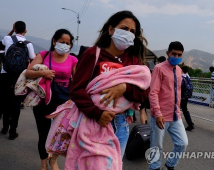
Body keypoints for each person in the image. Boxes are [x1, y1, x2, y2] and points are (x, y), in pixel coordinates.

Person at [69, 10, 150, 159]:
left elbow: (145, 94)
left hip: (121, 125)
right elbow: (76, 90)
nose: (129, 33)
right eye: (125, 29)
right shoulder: (93, 54)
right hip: (94, 122)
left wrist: (125, 88)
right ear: (111, 29)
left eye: (132, 31)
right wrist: (97, 114)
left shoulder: (134, 61)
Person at [25, 29, 78, 170]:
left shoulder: (73, 60)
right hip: (43, 101)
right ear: (54, 41)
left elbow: (79, 82)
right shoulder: (44, 55)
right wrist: (44, 73)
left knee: (62, 135)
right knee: (43, 134)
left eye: (68, 43)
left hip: (64, 104)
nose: (65, 45)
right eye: (62, 42)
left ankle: (53, 160)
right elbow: (28, 72)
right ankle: (43, 164)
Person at [149, 41, 188, 170]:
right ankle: (154, 167)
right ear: (168, 53)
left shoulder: (179, 70)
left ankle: (169, 165)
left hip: (175, 115)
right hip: (160, 116)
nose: (176, 57)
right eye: (174, 54)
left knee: (182, 143)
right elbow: (153, 92)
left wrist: (178, 110)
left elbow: (177, 92)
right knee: (156, 146)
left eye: (179, 55)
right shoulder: (159, 68)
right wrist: (158, 113)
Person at [0, 21, 35, 139]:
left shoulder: (7, 38)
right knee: (15, 103)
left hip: (5, 74)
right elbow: (32, 58)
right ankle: (12, 131)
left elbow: (6, 39)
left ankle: (4, 127)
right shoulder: (28, 44)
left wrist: (12, 31)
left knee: (5, 101)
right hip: (19, 77)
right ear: (25, 30)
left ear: (14, 29)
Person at [181, 66, 194, 131]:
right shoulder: (187, 76)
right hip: (186, 96)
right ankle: (190, 123)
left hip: (181, 96)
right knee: (185, 109)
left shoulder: (181, 77)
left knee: (182, 109)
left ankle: (190, 124)